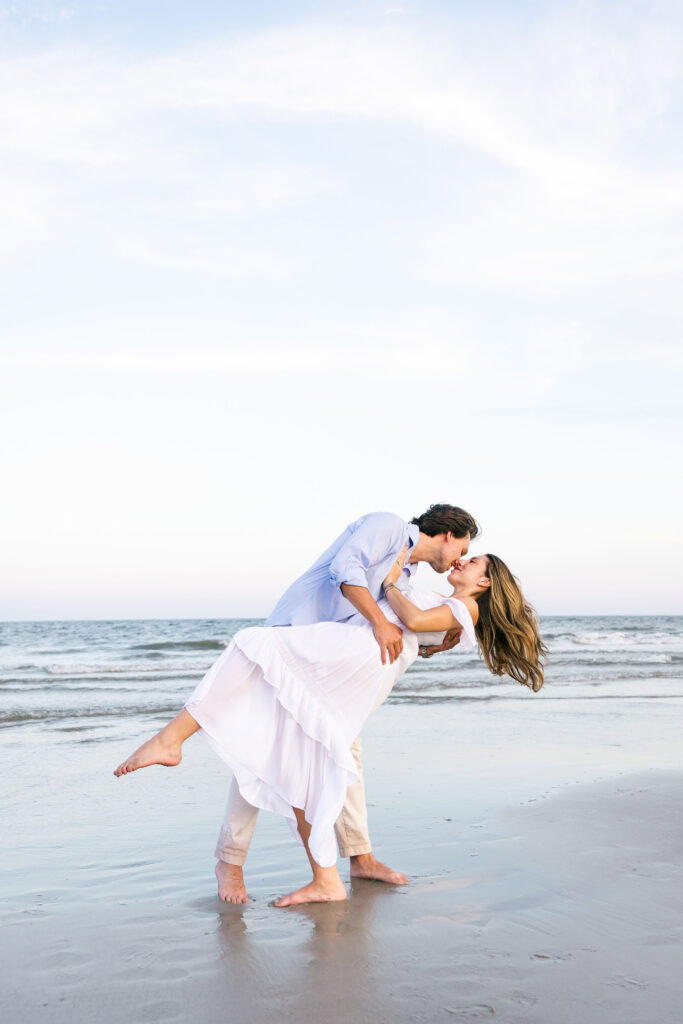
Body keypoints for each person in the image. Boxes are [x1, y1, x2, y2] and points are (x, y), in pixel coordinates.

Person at [113, 550, 547, 907]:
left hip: (346, 665)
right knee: (301, 756)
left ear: (486, 583)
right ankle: (324, 877)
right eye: (464, 555)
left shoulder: (465, 606)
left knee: (255, 645)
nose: (461, 562)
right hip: (353, 669)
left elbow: (411, 622)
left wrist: (393, 581)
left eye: (471, 563)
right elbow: (417, 632)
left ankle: (172, 741)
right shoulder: (449, 603)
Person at [213, 503, 478, 902]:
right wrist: (381, 622)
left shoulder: (405, 573)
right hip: (295, 646)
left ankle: (360, 857)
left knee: (345, 756)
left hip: (326, 667)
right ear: (448, 534)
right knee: (265, 753)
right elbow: (346, 571)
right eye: (464, 547)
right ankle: (230, 862)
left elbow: (394, 626)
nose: (461, 558)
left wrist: (428, 645)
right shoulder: (388, 527)